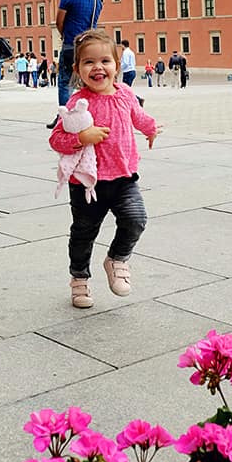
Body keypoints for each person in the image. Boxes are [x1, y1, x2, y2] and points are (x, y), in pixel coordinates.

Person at [50, 29, 159, 309]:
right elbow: (57, 138)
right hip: (88, 184)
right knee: (84, 233)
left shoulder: (125, 93)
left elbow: (139, 116)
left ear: (117, 66)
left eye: (105, 61)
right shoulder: (78, 103)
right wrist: (81, 138)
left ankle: (117, 259)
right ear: (77, 70)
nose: (98, 67)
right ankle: (79, 278)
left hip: (124, 178)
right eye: (88, 62)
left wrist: (151, 128)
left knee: (136, 220)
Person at [48, 0, 103, 129]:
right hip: (88, 46)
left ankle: (64, 118)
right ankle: (89, 116)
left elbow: (59, 20)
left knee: (65, 82)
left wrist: (63, 34)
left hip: (71, 44)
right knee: (89, 81)